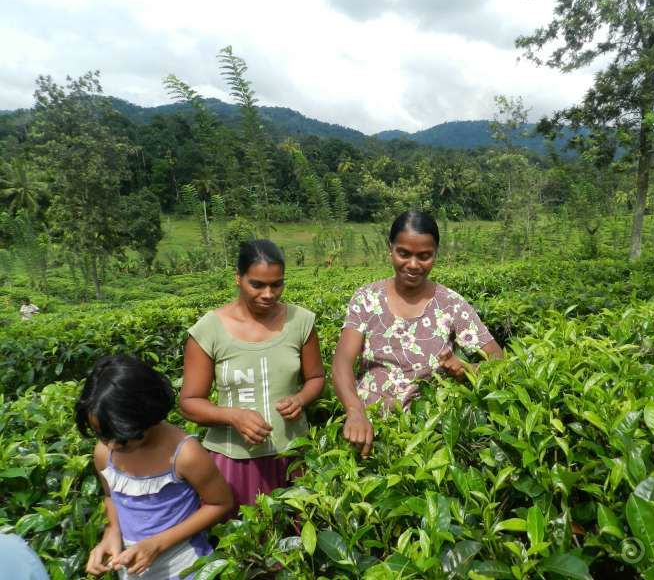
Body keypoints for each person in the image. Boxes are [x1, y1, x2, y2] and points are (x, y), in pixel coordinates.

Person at [333, 211, 503, 457]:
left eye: (424, 256)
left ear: (436, 254)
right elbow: (341, 363)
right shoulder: (367, 299)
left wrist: (467, 369)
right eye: (404, 253)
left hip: (430, 438)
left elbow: (497, 360)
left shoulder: (450, 304)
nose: (413, 265)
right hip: (367, 430)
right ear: (390, 249)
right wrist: (355, 411)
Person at [180, 239, 324, 512]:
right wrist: (233, 415)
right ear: (238, 278)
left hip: (291, 454)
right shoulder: (209, 330)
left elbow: (316, 378)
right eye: (257, 284)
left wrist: (301, 399)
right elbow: (189, 401)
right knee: (246, 545)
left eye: (277, 284)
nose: (269, 294)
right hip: (234, 460)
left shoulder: (301, 322)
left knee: (294, 542)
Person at [75, 355, 232, 579]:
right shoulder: (104, 453)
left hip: (186, 566)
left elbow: (220, 503)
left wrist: (157, 544)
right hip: (133, 568)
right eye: (102, 435)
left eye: (123, 437)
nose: (111, 445)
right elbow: (111, 497)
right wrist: (111, 533)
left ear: (148, 415)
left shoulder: (185, 455)